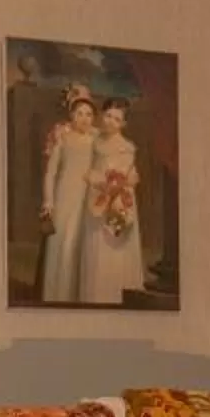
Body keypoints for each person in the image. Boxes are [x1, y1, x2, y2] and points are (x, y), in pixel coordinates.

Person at [75, 99, 149, 304]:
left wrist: (115, 186)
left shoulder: (126, 147)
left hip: (118, 200)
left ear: (123, 124)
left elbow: (126, 176)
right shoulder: (95, 141)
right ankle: (95, 295)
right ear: (102, 115)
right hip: (97, 197)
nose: (110, 121)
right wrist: (96, 180)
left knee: (114, 245)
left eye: (117, 119)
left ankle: (116, 293)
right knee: (96, 246)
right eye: (108, 116)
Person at [36, 89, 96, 303]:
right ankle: (57, 296)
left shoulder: (96, 138)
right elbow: (51, 172)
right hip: (64, 195)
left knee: (81, 244)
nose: (84, 119)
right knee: (62, 244)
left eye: (89, 114)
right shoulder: (62, 137)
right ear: (71, 115)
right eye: (80, 113)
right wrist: (48, 200)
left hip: (88, 198)